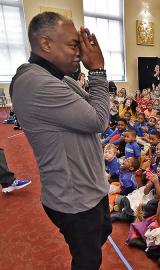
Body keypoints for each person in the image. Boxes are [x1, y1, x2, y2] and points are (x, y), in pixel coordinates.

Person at [10, 12, 111, 269]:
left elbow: (89, 108)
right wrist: (98, 70)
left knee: (101, 236)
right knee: (88, 260)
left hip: (89, 190)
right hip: (75, 198)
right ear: (46, 44)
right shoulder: (37, 83)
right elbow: (99, 120)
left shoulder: (56, 78)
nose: (79, 52)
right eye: (73, 44)